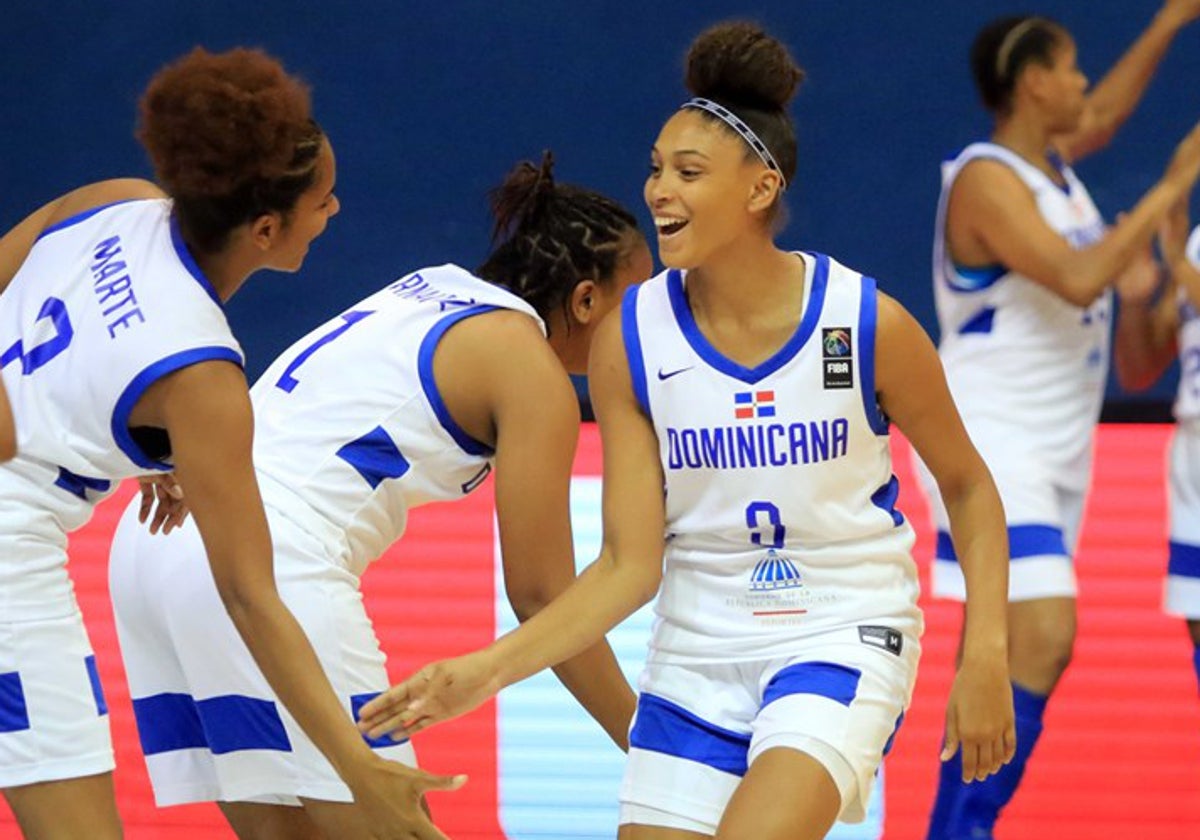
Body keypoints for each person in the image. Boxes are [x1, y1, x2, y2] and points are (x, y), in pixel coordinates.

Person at [360, 21, 1015, 840]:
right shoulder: (630, 339)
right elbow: (627, 567)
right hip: (695, 653)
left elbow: (969, 486)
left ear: (760, 188)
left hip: (841, 628)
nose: (659, 191)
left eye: (689, 172)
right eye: (656, 169)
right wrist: (486, 671)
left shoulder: (863, 321)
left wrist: (986, 648)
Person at [107, 152, 650, 839]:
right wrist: (648, 746)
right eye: (638, 304)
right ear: (584, 300)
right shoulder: (530, 369)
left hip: (156, 543)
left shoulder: (428, 287)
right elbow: (543, 594)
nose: (643, 332)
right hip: (269, 556)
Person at [0, 47, 459, 840]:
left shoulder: (115, 201)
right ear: (266, 227)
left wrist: (145, 443)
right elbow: (250, 595)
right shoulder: (201, 374)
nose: (337, 211)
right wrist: (357, 766)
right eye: (325, 200)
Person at [915, 6, 1200, 837]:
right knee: (1039, 632)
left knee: (1006, 656)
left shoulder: (1055, 173)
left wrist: (1174, 19)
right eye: (1072, 68)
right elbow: (1080, 277)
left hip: (1051, 446)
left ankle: (957, 824)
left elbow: (1104, 117)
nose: (1084, 84)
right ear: (1034, 81)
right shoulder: (985, 176)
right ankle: (958, 830)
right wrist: (1172, 189)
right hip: (990, 438)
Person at [1112, 203, 1200, 704]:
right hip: (1191, 454)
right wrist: (1137, 302)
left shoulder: (1183, 254)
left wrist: (1176, 262)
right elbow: (1140, 369)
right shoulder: (1194, 245)